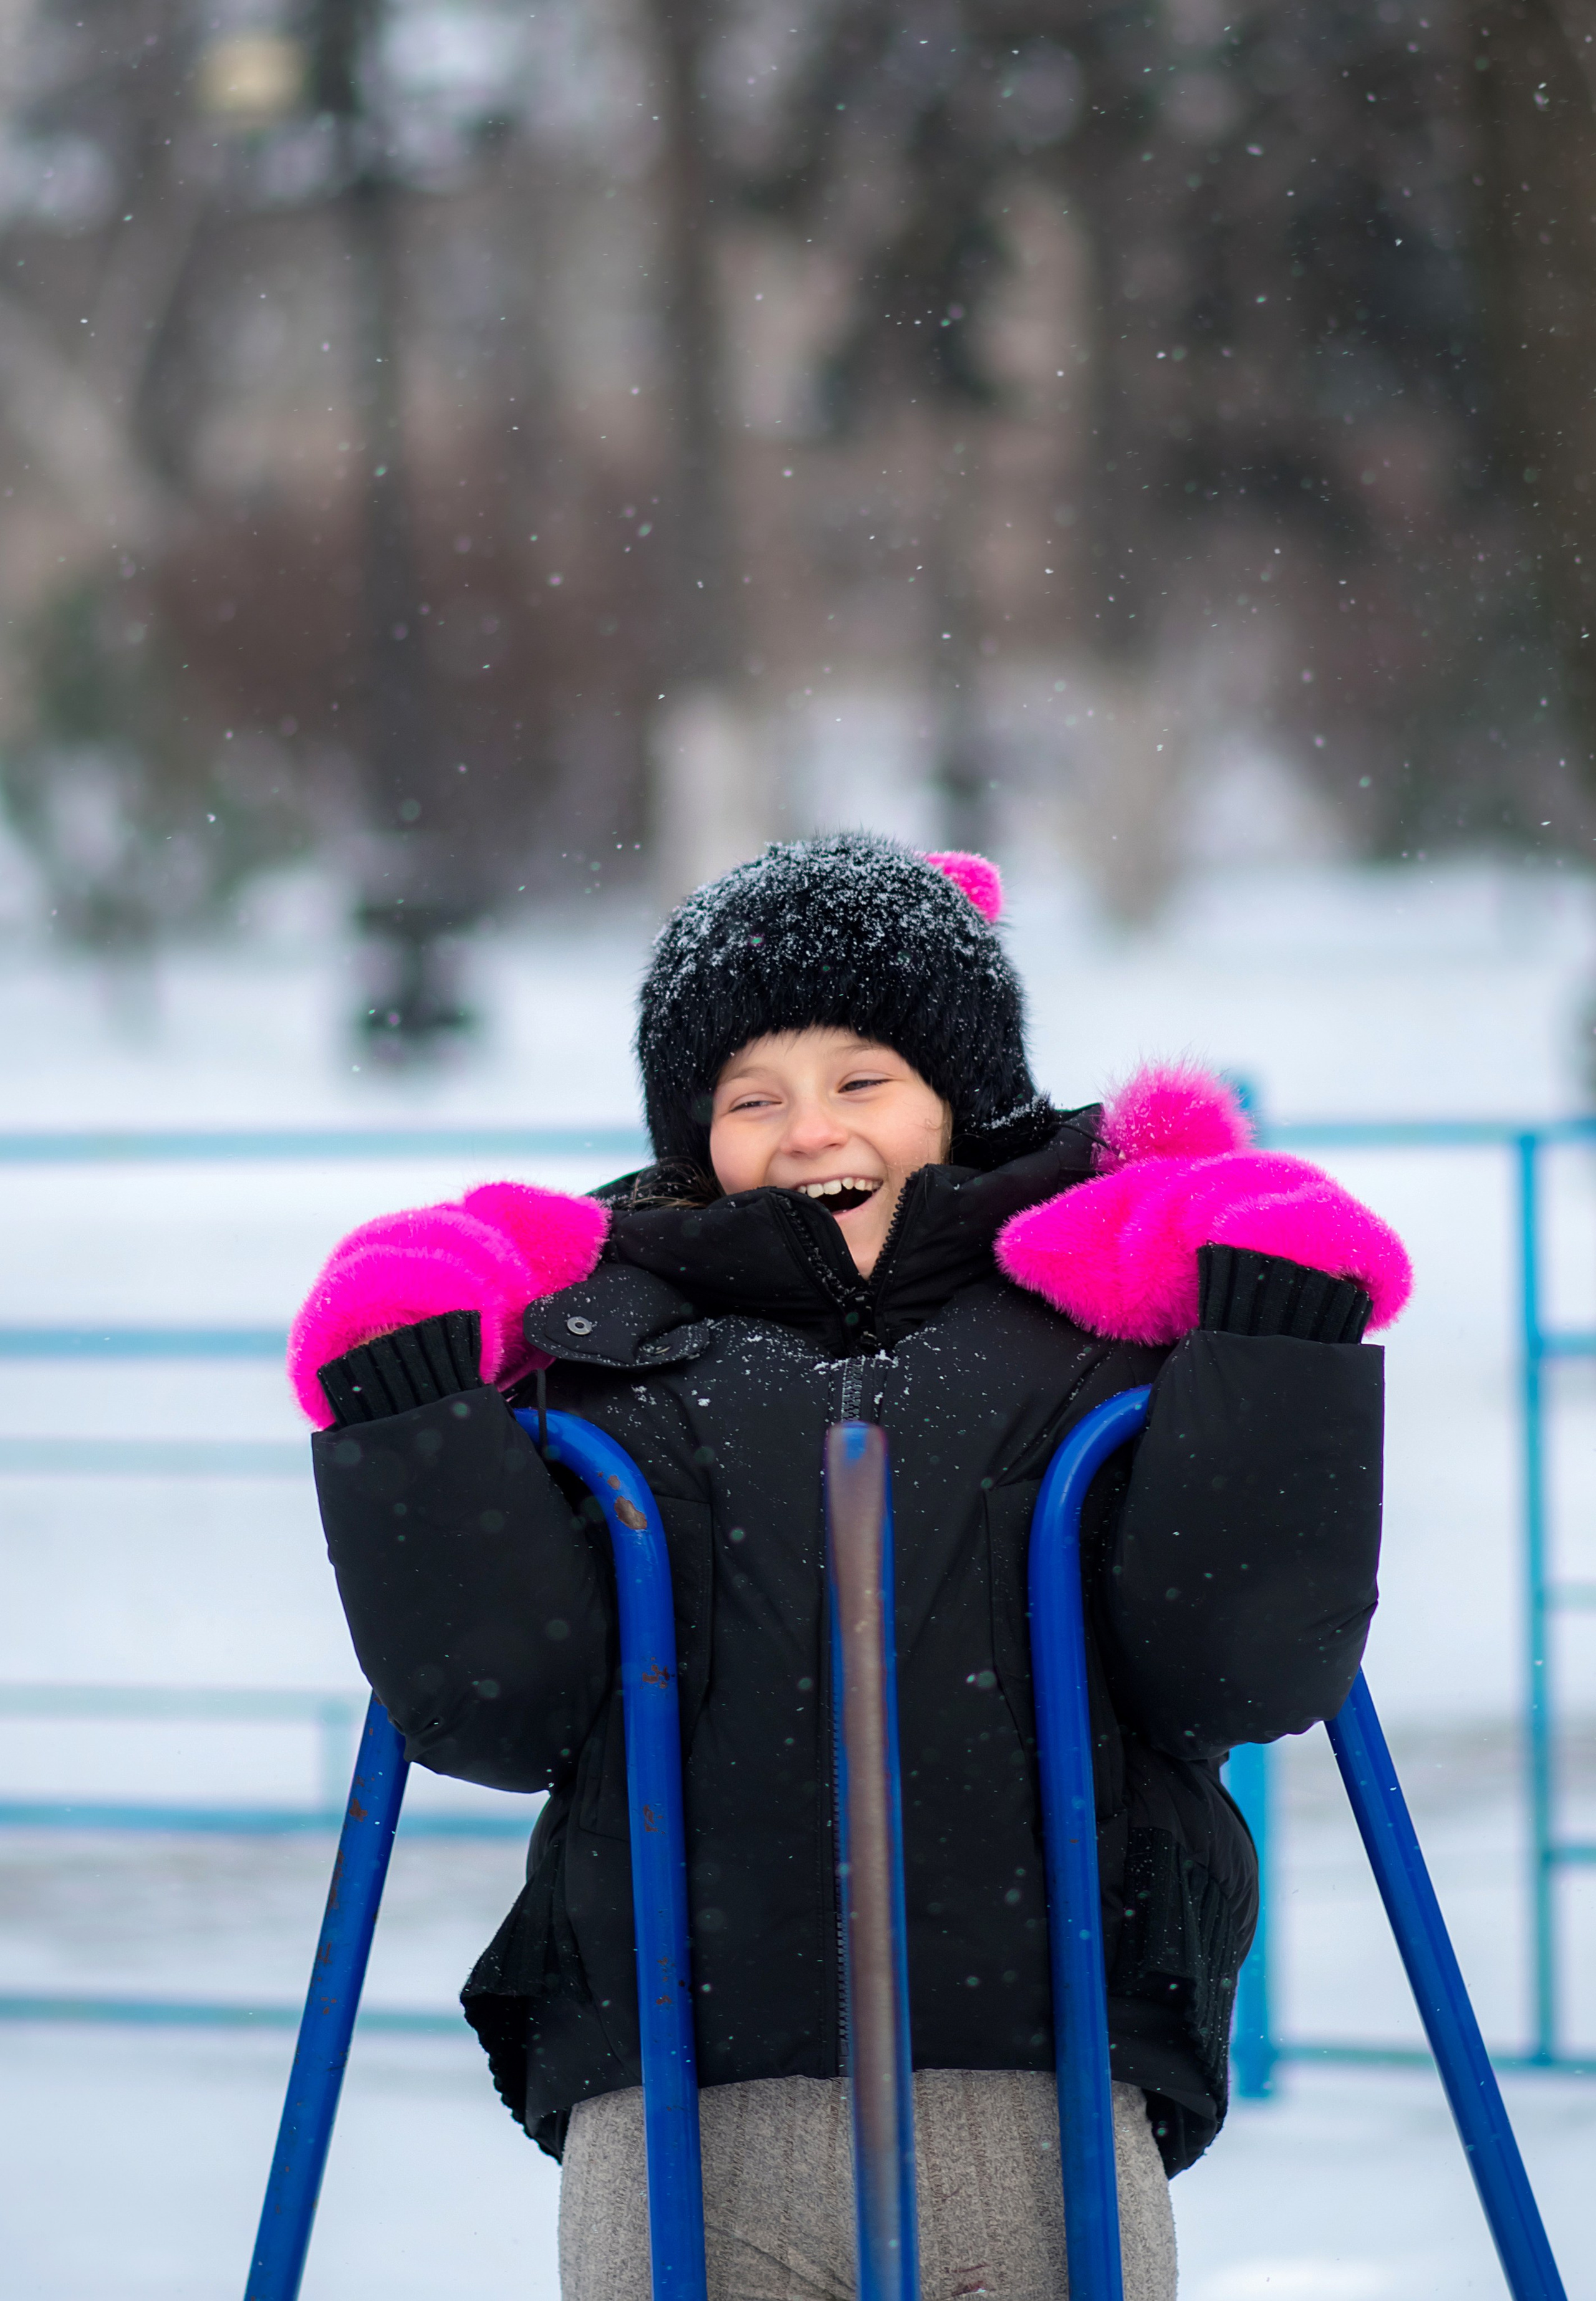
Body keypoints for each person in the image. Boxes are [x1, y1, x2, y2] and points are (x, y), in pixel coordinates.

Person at [289, 832, 1408, 2301]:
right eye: (750, 1097)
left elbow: (1243, 1659)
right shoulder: (605, 1356)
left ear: (960, 1100)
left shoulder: (1090, 1350)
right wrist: (416, 1421)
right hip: (677, 2077)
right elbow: (495, 1704)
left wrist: (1271, 1358)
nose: (808, 1130)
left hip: (1043, 2054)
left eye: (860, 1079)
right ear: (695, 1137)